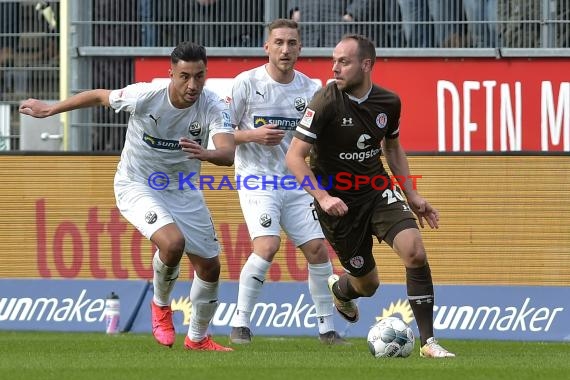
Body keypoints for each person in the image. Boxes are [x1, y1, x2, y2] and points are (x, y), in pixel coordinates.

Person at [19, 41, 235, 352]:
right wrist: (51, 109)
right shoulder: (145, 95)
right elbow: (98, 96)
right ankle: (160, 307)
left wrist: (207, 153)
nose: (192, 85)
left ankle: (198, 339)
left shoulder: (214, 105)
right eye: (184, 76)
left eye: (199, 76)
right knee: (172, 243)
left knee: (210, 268)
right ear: (171, 74)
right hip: (137, 183)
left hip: (183, 187)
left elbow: (227, 154)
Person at [285, 34, 456, 358]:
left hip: (377, 190)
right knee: (368, 284)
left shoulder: (388, 103)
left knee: (415, 252)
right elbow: (294, 157)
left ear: (366, 65)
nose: (335, 67)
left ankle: (429, 343)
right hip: (338, 206)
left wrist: (412, 194)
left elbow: (391, 147)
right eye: (333, 60)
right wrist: (322, 198)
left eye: (343, 62)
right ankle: (341, 289)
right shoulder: (324, 102)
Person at [227, 18, 346, 345]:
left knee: (318, 250)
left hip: (295, 182)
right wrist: (253, 134)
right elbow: (219, 134)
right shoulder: (245, 84)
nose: (285, 49)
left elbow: (321, 138)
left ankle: (327, 330)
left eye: (291, 43)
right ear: (267, 47)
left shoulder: (310, 89)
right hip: (256, 178)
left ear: (299, 49)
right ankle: (240, 324)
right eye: (278, 42)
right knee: (267, 245)